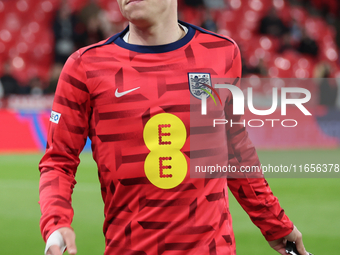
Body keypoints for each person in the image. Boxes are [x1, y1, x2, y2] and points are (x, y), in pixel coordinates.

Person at [39, 1, 310, 255]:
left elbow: (235, 151)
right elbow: (58, 161)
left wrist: (275, 223)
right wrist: (56, 222)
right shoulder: (85, 67)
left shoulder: (221, 54)